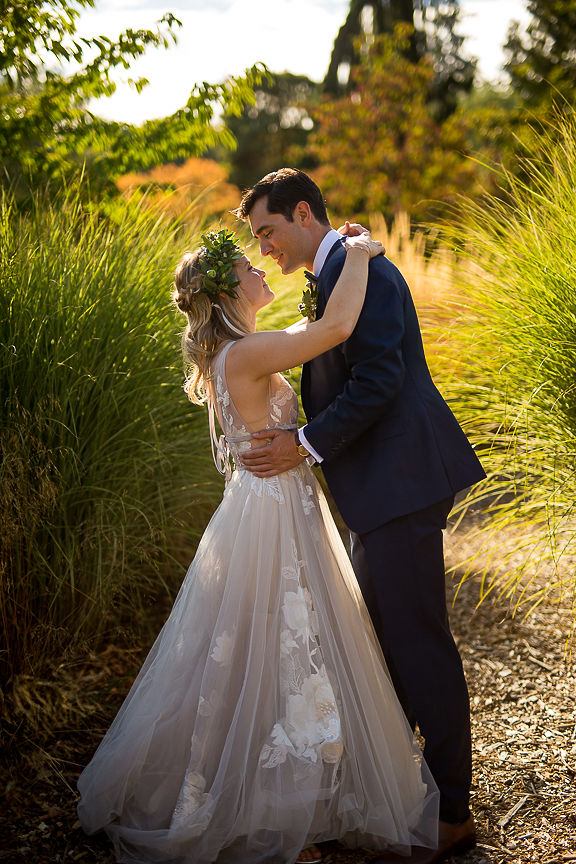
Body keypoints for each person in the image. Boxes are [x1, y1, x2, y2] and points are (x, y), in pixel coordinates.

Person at [76, 227, 441, 864]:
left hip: (274, 503)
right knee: (274, 638)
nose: (262, 269)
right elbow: (332, 331)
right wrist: (359, 254)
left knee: (274, 641)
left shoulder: (238, 352)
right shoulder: (243, 356)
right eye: (250, 266)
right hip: (271, 512)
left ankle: (293, 788)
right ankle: (265, 798)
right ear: (227, 292)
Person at [235, 168, 486, 864]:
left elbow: (381, 378)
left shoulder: (353, 263)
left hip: (400, 482)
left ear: (305, 213)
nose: (264, 249)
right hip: (380, 487)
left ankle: (454, 815)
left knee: (417, 646)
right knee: (384, 649)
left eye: (268, 231)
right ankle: (395, 795)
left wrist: (305, 444)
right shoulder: (343, 262)